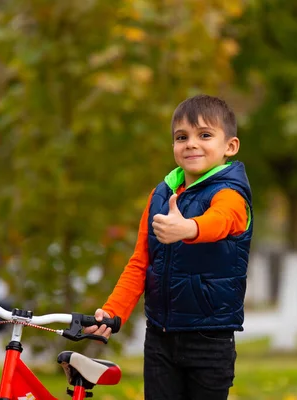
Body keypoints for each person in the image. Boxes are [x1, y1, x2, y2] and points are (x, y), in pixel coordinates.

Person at [85, 94, 253, 400]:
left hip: (209, 340)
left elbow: (222, 220)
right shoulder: (160, 195)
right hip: (160, 337)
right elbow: (140, 263)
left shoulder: (231, 194)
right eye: (181, 137)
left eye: (204, 135)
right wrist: (113, 312)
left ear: (229, 146)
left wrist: (189, 227)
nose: (190, 143)